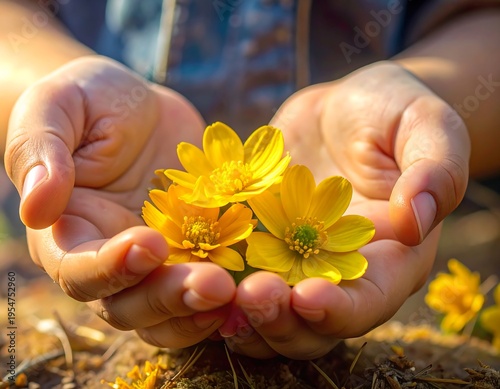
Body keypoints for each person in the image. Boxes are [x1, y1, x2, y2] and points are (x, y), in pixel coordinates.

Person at [1, 0, 500, 359]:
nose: (303, 235)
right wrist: (55, 83)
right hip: (97, 195)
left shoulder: (286, 221)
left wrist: (432, 91)